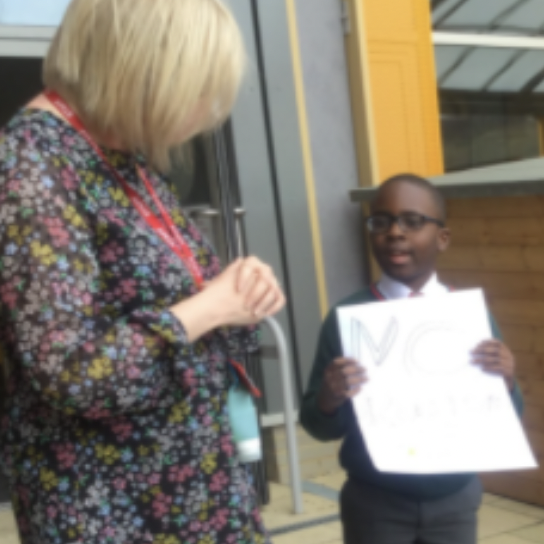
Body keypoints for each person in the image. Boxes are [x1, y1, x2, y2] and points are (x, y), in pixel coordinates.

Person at [0, 1, 285, 543]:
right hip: (112, 507)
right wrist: (210, 307)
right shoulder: (31, 165)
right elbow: (73, 371)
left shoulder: (121, 156)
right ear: (143, 69)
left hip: (192, 489)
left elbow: (175, 298)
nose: (206, 112)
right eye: (199, 87)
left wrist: (240, 294)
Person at [300, 173, 523, 544]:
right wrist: (329, 397)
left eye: (413, 221)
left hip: (454, 500)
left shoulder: (470, 318)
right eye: (381, 221)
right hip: (375, 502)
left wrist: (508, 381)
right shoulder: (348, 317)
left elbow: (508, 415)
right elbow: (318, 426)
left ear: (442, 238)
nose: (395, 232)